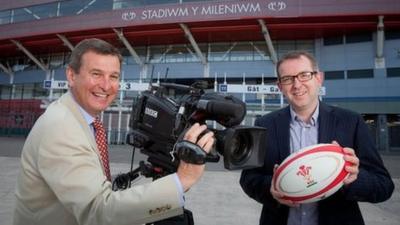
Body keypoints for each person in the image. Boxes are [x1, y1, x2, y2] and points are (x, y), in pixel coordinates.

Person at [13, 38, 214, 225]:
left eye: (114, 76)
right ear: (71, 76)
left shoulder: (81, 118)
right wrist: (182, 179)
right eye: (96, 74)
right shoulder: (60, 127)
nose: (106, 86)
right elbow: (98, 210)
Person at [240, 51, 394, 225]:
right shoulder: (264, 124)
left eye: (304, 75)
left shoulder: (350, 122)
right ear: (280, 86)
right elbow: (248, 179)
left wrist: (353, 179)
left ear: (319, 78)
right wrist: (272, 188)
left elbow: (384, 186)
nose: (297, 85)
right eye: (288, 79)